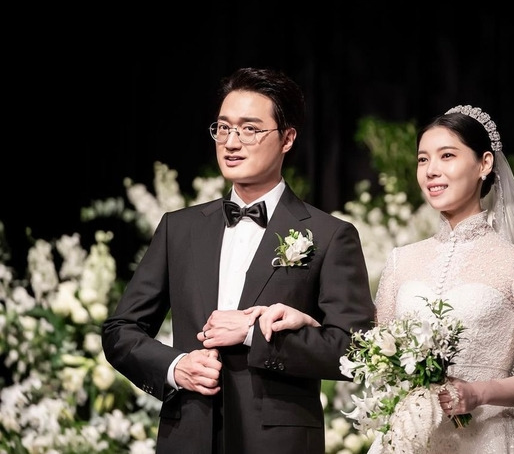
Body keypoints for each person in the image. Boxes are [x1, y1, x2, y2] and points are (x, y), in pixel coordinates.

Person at [101, 67, 376, 454]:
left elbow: (354, 350)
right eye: (223, 128)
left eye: (250, 129)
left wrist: (252, 333)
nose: (231, 142)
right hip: (188, 436)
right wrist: (175, 367)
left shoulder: (328, 235)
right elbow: (121, 329)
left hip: (276, 442)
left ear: (287, 138)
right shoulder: (179, 228)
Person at [371, 104, 514, 453]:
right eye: (423, 159)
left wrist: (479, 393)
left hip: (489, 439)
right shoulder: (400, 260)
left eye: (447, 156)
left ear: (484, 164)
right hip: (410, 439)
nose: (431, 170)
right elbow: (379, 352)